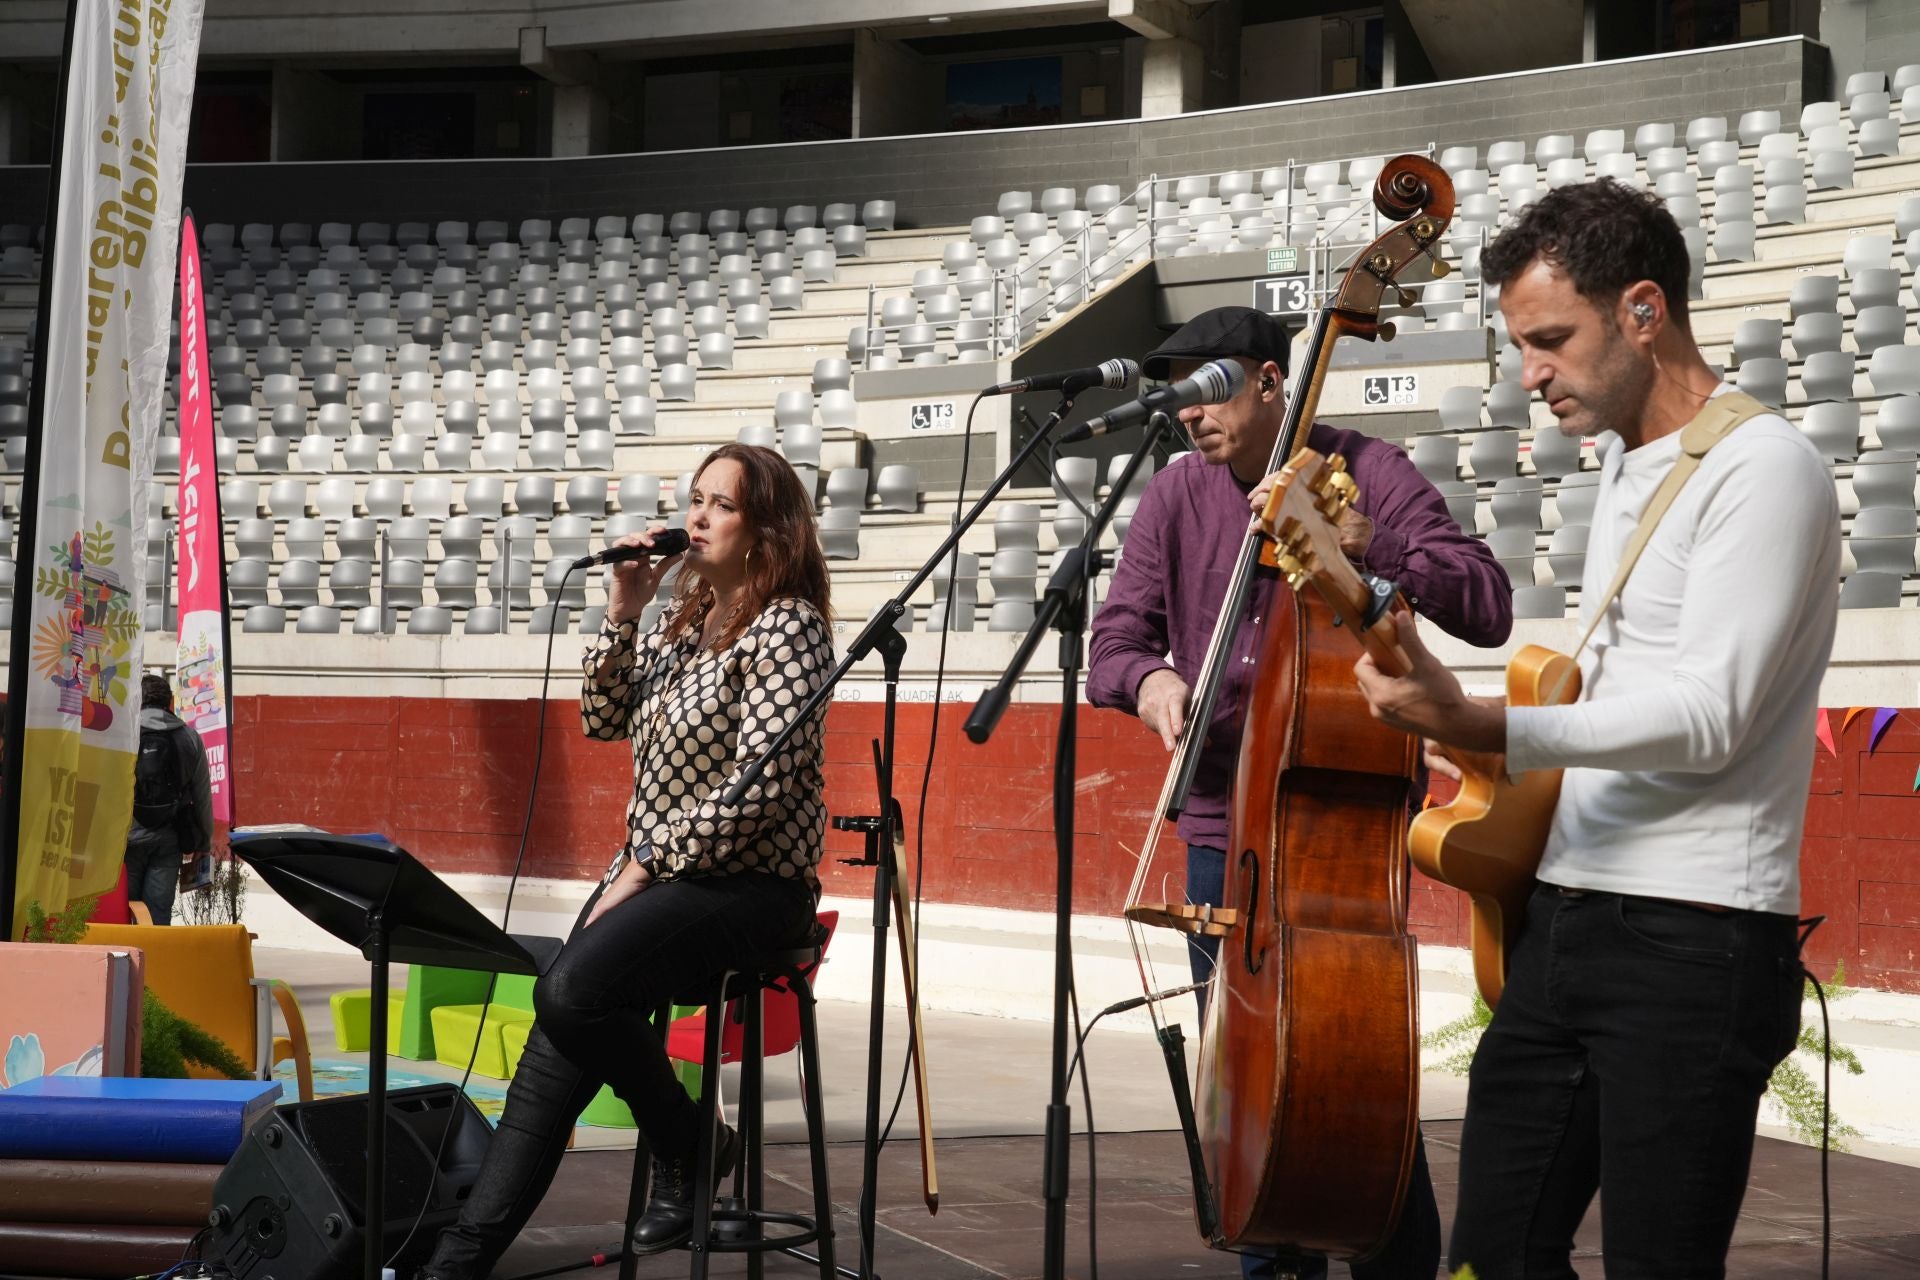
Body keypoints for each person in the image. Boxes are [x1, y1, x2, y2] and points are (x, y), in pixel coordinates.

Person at [1353, 180, 1839, 1280]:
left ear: (1642, 311)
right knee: (1491, 1256)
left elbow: (1709, 716)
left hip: (1697, 937)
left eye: (1549, 340)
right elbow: (1608, 699)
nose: (1530, 372)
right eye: (1523, 344)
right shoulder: (1623, 463)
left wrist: (1486, 718)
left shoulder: (1766, 467)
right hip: (1566, 918)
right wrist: (1460, 716)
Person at [1087, 305, 1513, 1280]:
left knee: (1351, 1080)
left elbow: (1485, 601)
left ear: (1273, 380)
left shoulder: (1367, 470)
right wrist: (1150, 680)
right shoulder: (1175, 495)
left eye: (1211, 385)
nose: (1192, 413)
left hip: (1339, 830)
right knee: (1254, 1095)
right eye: (1180, 392)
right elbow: (1114, 640)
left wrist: (1366, 542)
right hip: (1218, 828)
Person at [420, 443, 836, 1278]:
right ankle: (456, 1263)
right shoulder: (684, 622)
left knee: (571, 990)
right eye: (695, 499)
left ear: (768, 529)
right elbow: (604, 719)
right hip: (662, 873)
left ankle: (689, 1147)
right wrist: (623, 609)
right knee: (551, 1055)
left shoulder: (791, 627)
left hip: (752, 886)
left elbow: (757, 788)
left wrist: (647, 861)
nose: (697, 517)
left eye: (722, 504)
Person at [126, 672, 214, 926]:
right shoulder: (189, 738)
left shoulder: (126, 736)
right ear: (171, 702)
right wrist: (204, 842)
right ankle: (155, 963)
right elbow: (202, 795)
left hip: (126, 837)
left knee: (124, 909)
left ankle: (123, 963)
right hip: (169, 838)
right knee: (157, 911)